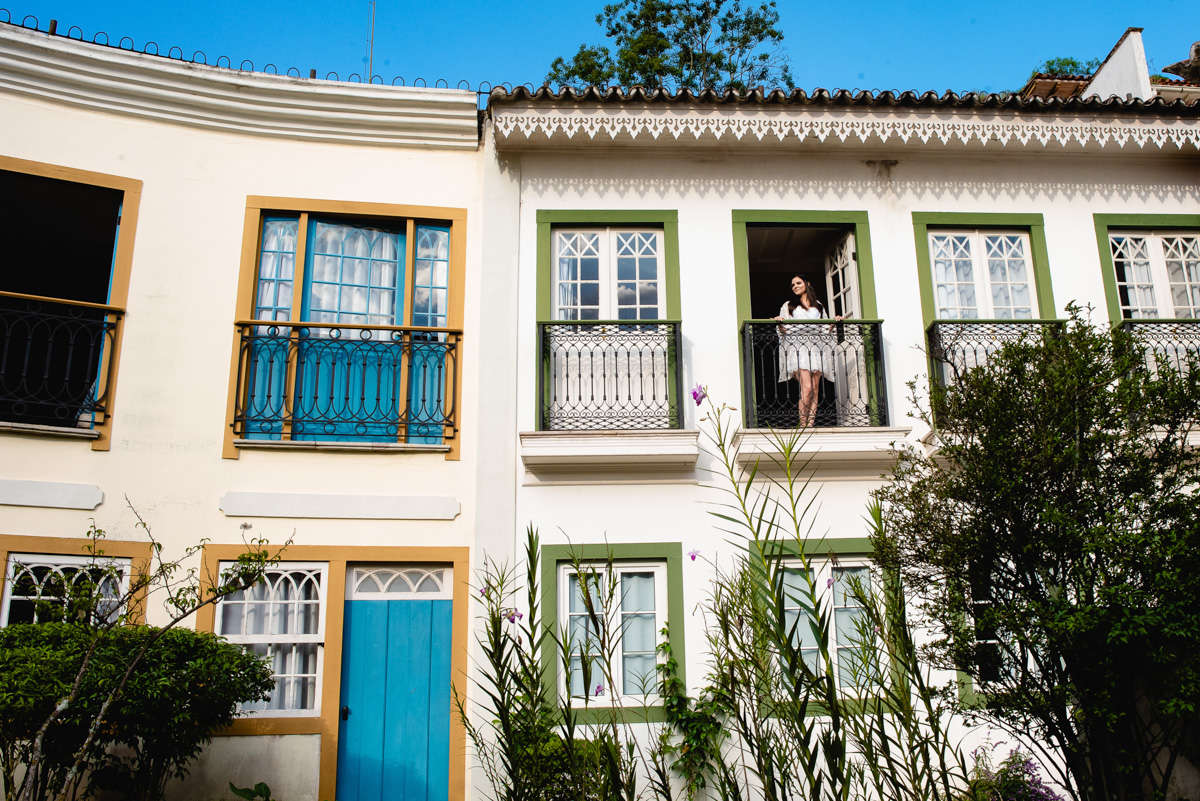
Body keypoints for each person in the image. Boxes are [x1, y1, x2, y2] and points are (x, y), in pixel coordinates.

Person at [775, 275, 838, 428]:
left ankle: (810, 424)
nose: (795, 286)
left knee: (815, 389)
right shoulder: (789, 305)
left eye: (798, 283)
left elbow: (824, 329)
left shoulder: (818, 306)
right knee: (807, 387)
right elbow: (784, 331)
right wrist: (780, 324)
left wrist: (834, 322)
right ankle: (802, 424)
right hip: (798, 348)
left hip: (816, 349)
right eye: (792, 285)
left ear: (807, 284)